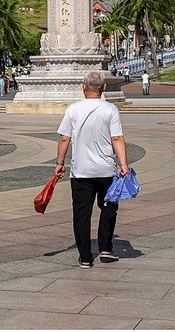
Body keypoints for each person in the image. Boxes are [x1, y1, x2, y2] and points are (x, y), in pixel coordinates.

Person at [54, 70, 130, 268]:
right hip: (106, 170)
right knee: (108, 208)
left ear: (83, 87)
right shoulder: (110, 109)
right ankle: (105, 248)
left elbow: (64, 138)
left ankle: (86, 257)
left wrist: (60, 163)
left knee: (81, 214)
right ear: (104, 87)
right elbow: (117, 138)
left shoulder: (73, 109)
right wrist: (124, 165)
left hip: (81, 172)